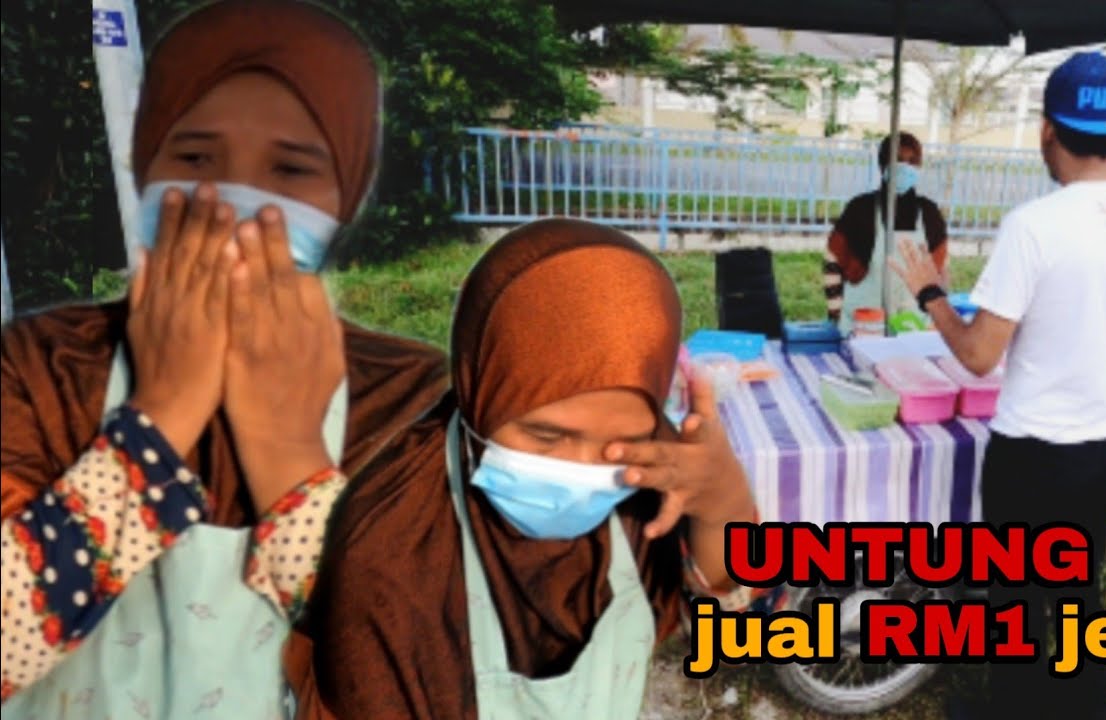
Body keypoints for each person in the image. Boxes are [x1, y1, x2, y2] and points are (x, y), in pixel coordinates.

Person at [0, 1, 451, 714]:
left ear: (348, 192)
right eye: (195, 159)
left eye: (291, 169)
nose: (234, 201)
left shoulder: (413, 398)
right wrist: (161, 416)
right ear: (147, 166)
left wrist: (289, 454)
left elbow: (423, 674)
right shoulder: (40, 367)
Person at [293, 218, 780, 720]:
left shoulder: (643, 483)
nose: (581, 472)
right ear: (480, 391)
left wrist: (721, 498)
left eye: (624, 442)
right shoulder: (390, 554)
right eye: (546, 437)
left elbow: (723, 598)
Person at [889, 52, 1106, 720]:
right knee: (1079, 595)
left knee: (1016, 600)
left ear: (1048, 130)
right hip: (1103, 448)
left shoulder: (1035, 225)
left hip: (1029, 452)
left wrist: (931, 294)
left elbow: (978, 355)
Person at [823, 131, 948, 335]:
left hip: (914, 326)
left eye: (912, 161)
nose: (904, 167)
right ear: (882, 165)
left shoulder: (930, 213)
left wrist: (940, 317)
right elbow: (832, 260)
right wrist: (836, 314)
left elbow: (941, 272)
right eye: (897, 159)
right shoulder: (860, 209)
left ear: (919, 167)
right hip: (862, 326)